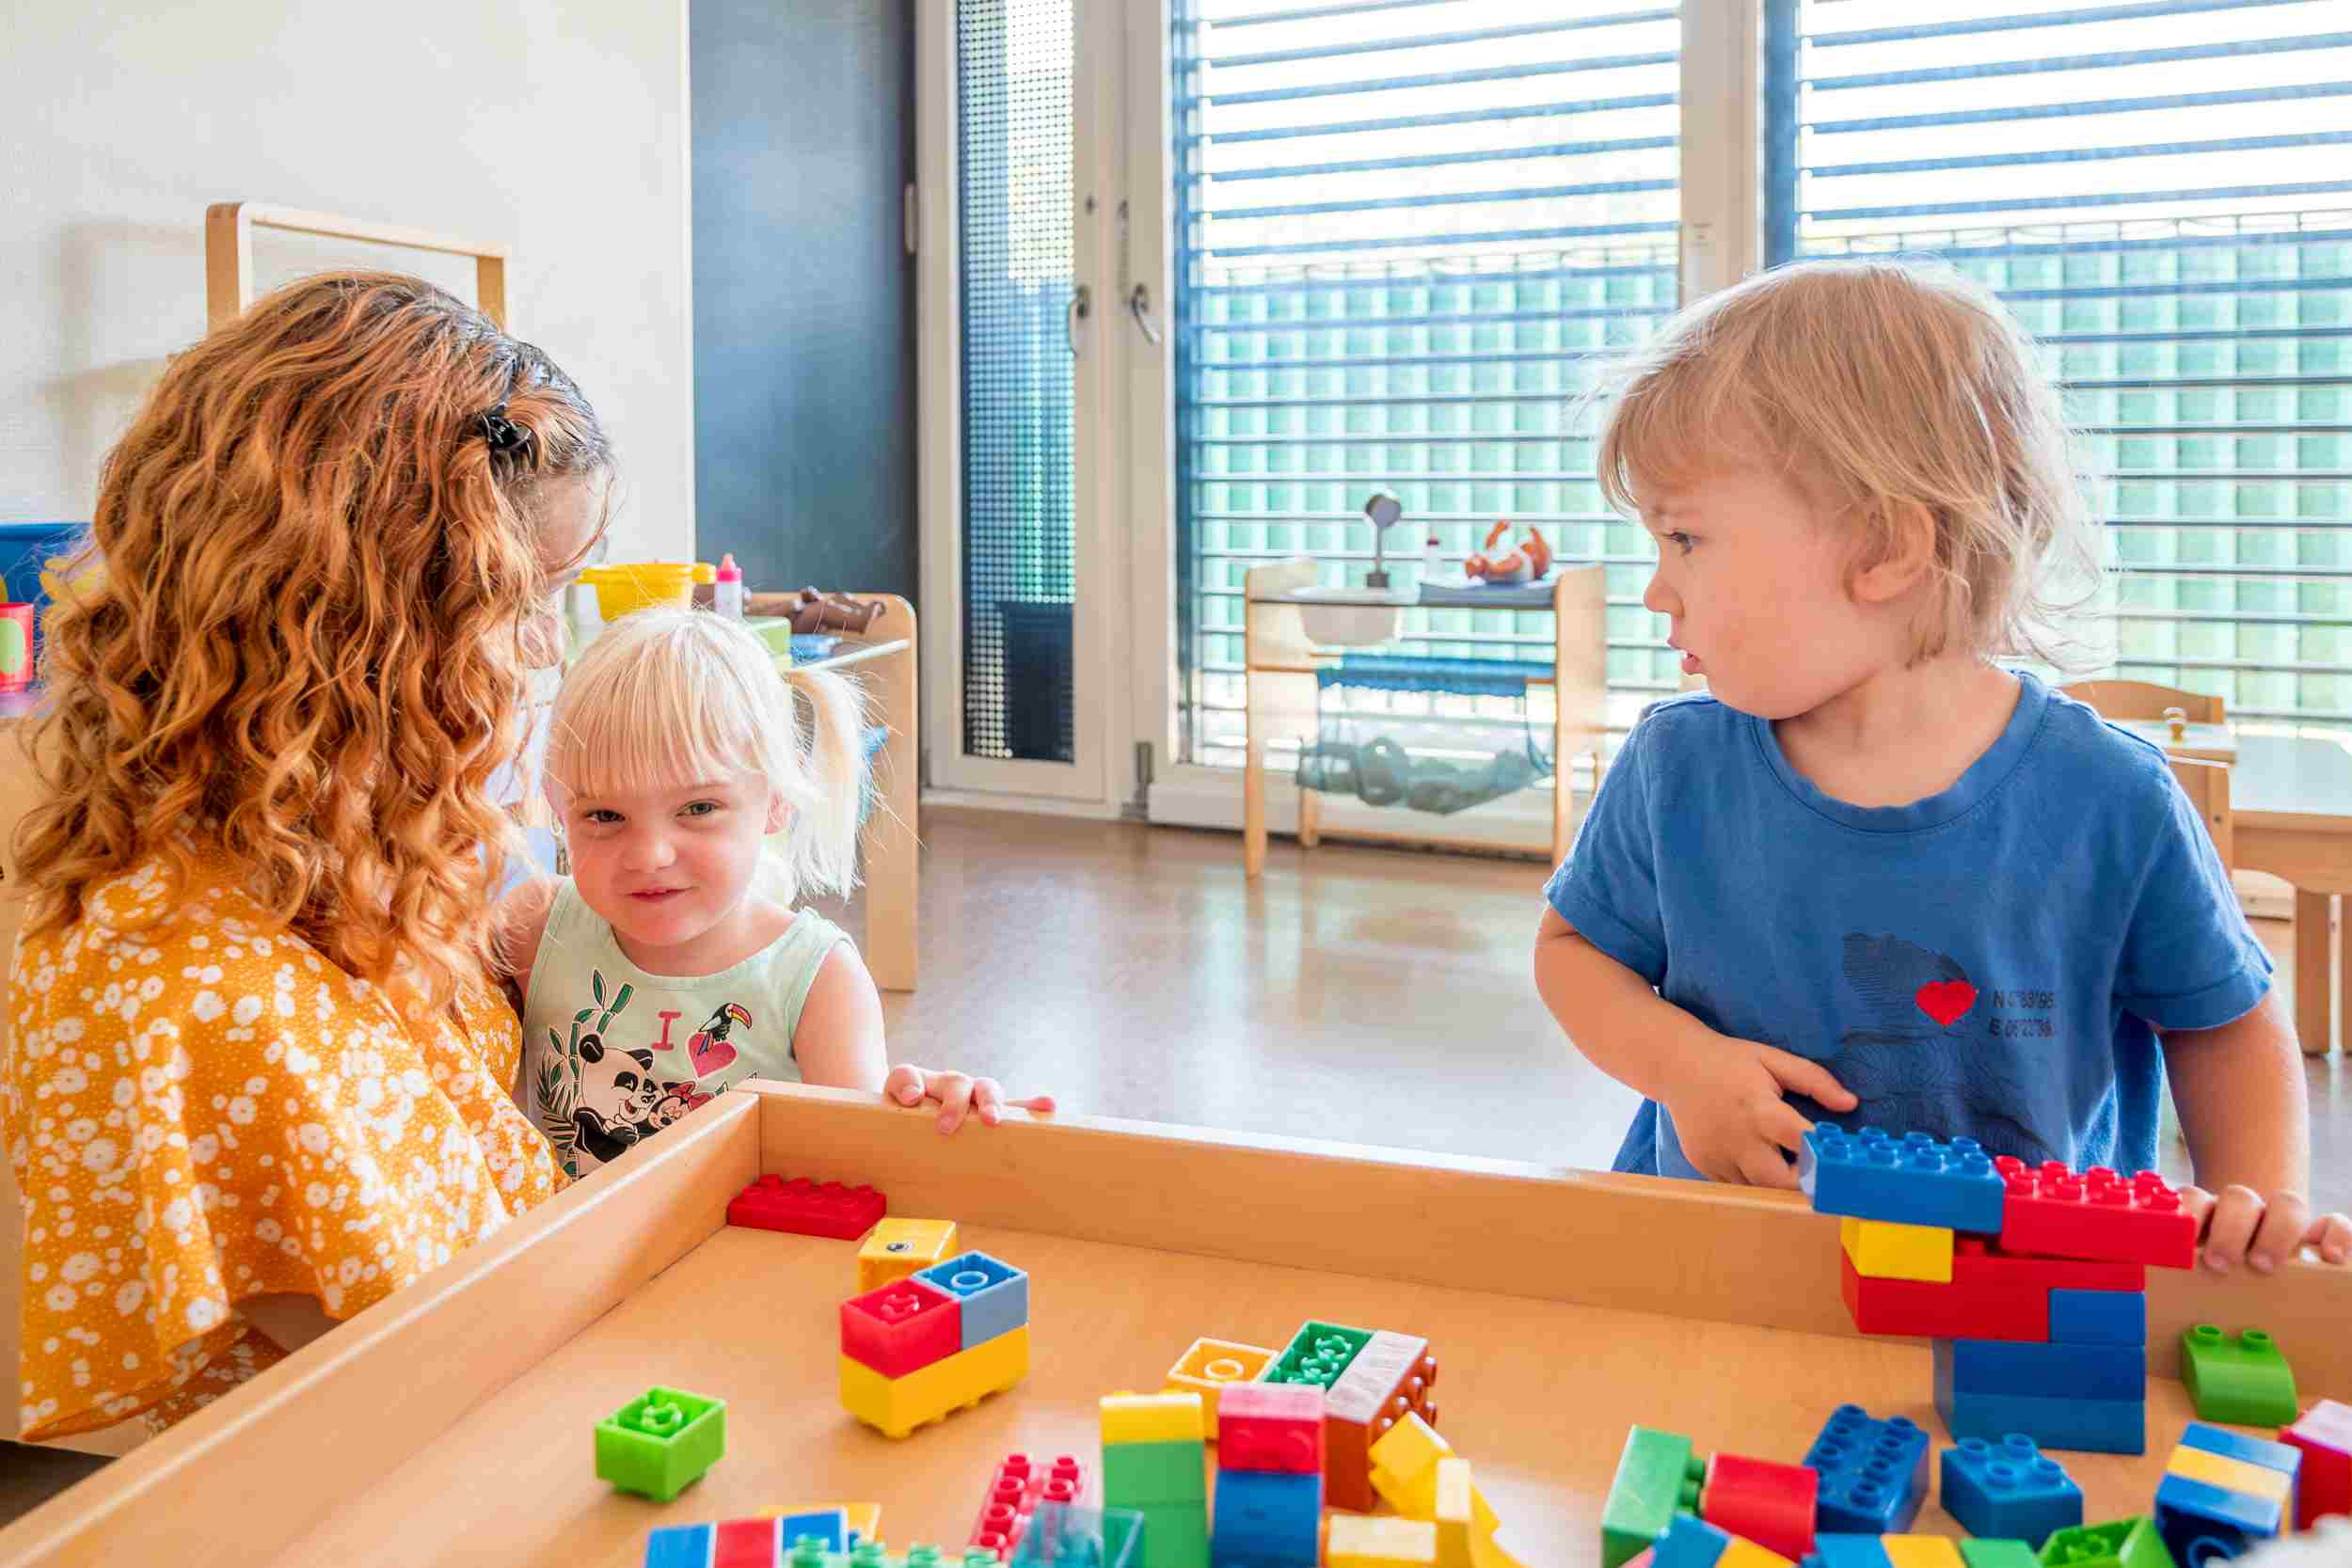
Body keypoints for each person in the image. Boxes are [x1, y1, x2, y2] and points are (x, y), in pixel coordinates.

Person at [1532, 260, 2352, 1275]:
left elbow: (2222, 1021)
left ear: (1884, 547)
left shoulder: (2113, 797)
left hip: (2032, 1284)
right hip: (1730, 1268)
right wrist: (1682, 1066)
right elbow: (1574, 952)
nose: (1657, 590)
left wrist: (2254, 1211)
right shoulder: (1675, 764)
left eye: (1685, 538)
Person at [3, 273, 604, 1437]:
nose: (540, 646)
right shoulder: (183, 992)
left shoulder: (330, 853)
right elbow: (422, 1390)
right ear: (362, 625)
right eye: (525, 598)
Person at [499, 608, 1049, 1178]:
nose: (649, 855)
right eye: (605, 815)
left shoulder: (817, 978)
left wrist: (930, 1116)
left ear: (778, 798)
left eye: (698, 808)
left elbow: (864, 1166)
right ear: (557, 806)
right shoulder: (531, 927)